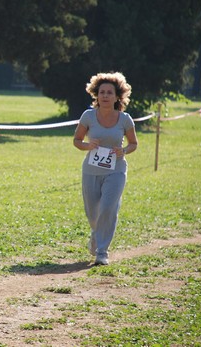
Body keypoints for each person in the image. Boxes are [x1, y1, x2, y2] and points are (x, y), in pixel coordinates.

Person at [73, 72, 138, 266]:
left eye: (110, 92)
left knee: (108, 208)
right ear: (96, 94)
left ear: (118, 96)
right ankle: (95, 234)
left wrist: (124, 150)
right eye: (102, 92)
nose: (105, 96)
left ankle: (102, 251)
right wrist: (88, 145)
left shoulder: (125, 119)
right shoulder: (88, 116)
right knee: (93, 213)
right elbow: (76, 140)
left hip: (116, 170)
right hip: (91, 170)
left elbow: (134, 143)